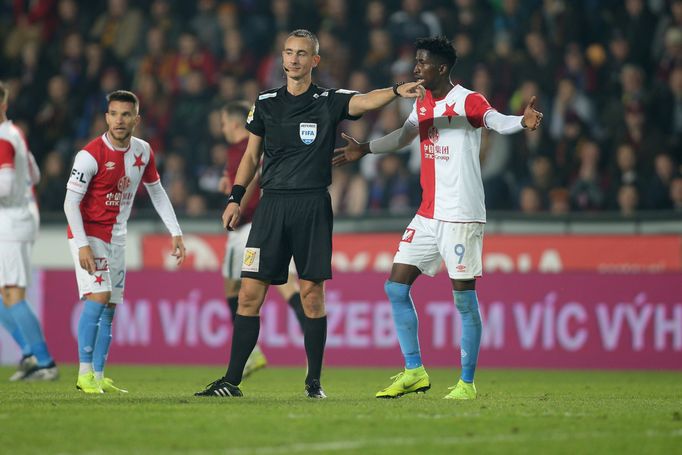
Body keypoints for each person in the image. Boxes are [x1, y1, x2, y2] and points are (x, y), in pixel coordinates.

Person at [195, 29, 424, 399]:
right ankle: (231, 381)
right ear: (282, 58)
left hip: (312, 205)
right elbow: (252, 157)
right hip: (270, 208)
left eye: (302, 53)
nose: (294, 59)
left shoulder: (328, 100)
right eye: (288, 52)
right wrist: (235, 198)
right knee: (250, 293)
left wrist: (398, 90)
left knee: (311, 295)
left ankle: (313, 382)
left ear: (314, 60)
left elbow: (365, 101)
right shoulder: (266, 102)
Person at [333, 36, 543, 400]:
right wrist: (364, 150)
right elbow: (403, 136)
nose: (415, 69)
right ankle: (414, 371)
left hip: (461, 214)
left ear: (441, 68)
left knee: (463, 300)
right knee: (395, 287)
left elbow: (495, 120)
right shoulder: (423, 102)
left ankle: (466, 383)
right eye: (415, 61)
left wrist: (522, 122)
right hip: (428, 213)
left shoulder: (468, 100)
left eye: (422, 62)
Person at [64, 90, 186, 394]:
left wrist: (176, 231)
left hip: (118, 236)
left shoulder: (143, 151)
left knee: (111, 307)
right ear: (106, 117)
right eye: (114, 114)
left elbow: (157, 191)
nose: (119, 120)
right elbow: (70, 203)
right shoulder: (89, 155)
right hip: (89, 234)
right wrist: (82, 244)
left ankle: (100, 375)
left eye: (126, 114)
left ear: (136, 119)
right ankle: (83, 374)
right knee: (99, 297)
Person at [218, 101, 306, 378]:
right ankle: (256, 353)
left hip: (252, 226)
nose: (221, 127)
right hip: (253, 225)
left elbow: (256, 173)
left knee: (250, 289)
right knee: (239, 287)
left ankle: (303, 347)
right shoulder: (234, 151)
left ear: (234, 122)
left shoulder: (250, 145)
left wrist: (239, 202)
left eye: (223, 121)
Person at [0, 81, 59, 381]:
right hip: (17, 218)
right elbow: (34, 174)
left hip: (12, 222)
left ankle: (45, 362)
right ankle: (29, 352)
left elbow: (7, 185)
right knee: (4, 293)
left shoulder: (2, 139)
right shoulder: (15, 134)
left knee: (13, 293)